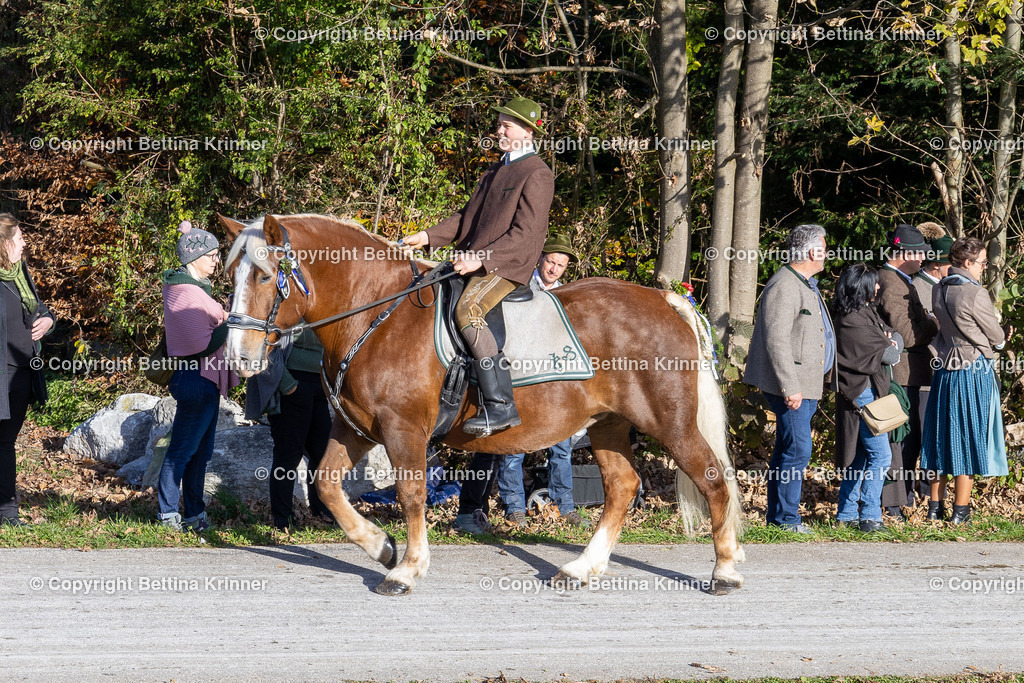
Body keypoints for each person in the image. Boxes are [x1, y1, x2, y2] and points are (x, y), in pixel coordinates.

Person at [402, 96, 554, 438]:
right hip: (474, 262)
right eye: (499, 123)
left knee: (468, 310)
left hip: (505, 268)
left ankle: (501, 405)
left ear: (528, 132)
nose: (499, 130)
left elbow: (527, 234)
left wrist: (480, 258)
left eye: (507, 125)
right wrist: (427, 236)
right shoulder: (494, 171)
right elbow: (465, 220)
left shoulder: (537, 173)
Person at [744, 224, 836, 534]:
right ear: (813, 252)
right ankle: (786, 520)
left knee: (788, 449)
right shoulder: (785, 285)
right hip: (793, 387)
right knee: (798, 450)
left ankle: (777, 517)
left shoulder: (805, 283)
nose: (827, 254)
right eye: (824, 248)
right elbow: (777, 340)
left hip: (806, 385)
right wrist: (790, 385)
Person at [496, 234, 588, 528]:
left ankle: (565, 507)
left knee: (561, 446)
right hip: (521, 375)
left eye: (561, 265)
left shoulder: (567, 294)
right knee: (515, 445)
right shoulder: (520, 285)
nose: (554, 269)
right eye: (551, 261)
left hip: (553, 381)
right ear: (541, 259)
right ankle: (514, 507)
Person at [921, 237, 1009, 525]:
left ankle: (935, 508)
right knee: (968, 438)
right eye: (982, 262)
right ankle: (961, 512)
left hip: (945, 369)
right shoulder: (974, 293)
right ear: (967, 263)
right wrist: (999, 340)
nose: (984, 267)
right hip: (972, 370)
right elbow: (995, 337)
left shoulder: (938, 288)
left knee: (939, 437)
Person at [158, 220, 237, 532]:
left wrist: (227, 316)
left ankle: (194, 514)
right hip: (194, 379)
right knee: (182, 450)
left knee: (199, 453)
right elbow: (198, 344)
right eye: (212, 255)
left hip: (206, 381)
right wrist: (230, 323)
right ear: (194, 258)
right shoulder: (183, 291)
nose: (216, 261)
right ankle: (167, 514)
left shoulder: (197, 289)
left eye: (218, 254)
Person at [874, 224, 938, 517]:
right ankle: (892, 503)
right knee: (899, 443)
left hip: (911, 373)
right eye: (920, 253)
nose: (924, 260)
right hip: (901, 374)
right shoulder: (892, 283)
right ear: (904, 253)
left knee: (908, 444)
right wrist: (934, 323)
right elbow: (908, 335)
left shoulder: (901, 280)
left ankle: (903, 499)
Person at [833, 264, 902, 532]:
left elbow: (897, 338)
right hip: (861, 393)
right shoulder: (852, 320)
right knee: (881, 456)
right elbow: (891, 354)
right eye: (873, 283)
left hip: (868, 392)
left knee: (860, 456)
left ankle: (847, 514)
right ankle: (870, 516)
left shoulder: (864, 312)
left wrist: (891, 340)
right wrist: (889, 342)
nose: (878, 287)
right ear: (860, 286)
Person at [245, 326, 334, 531]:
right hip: (292, 386)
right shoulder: (287, 304)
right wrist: (287, 385)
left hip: (320, 385)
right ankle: (282, 520)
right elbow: (264, 346)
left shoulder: (321, 303)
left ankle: (321, 512)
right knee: (288, 455)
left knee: (322, 453)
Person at [0, 213, 55, 526]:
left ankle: (7, 514)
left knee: (6, 444)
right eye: (19, 238)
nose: (25, 243)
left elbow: (40, 310)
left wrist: (48, 320)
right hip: (1, 374)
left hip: (21, 374)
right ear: (4, 243)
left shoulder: (19, 274)